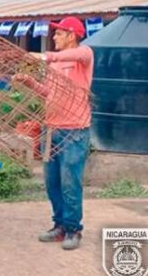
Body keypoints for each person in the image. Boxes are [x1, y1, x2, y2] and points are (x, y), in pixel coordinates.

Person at [13, 16, 94, 251]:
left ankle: (73, 229)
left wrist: (44, 56)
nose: (54, 37)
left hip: (74, 130)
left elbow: (77, 54)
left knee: (70, 182)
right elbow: (49, 93)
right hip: (52, 129)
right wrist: (29, 82)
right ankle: (59, 225)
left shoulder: (84, 54)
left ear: (72, 35)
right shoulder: (55, 64)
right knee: (52, 183)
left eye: (59, 33)